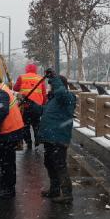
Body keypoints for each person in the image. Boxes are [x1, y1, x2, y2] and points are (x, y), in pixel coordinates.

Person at [39, 69, 77, 204]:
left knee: (59, 165)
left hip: (59, 138)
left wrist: (55, 78)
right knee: (49, 163)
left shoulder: (68, 97)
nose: (51, 88)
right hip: (50, 137)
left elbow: (61, 92)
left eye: (53, 85)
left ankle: (67, 194)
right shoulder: (54, 99)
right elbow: (45, 111)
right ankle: (54, 189)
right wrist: (31, 106)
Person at [14, 63, 48, 150]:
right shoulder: (40, 78)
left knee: (25, 125)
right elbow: (44, 94)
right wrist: (43, 104)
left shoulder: (22, 77)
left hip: (25, 106)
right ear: (35, 70)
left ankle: (28, 142)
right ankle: (37, 141)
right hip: (37, 107)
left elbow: (15, 88)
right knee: (36, 124)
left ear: (26, 69)